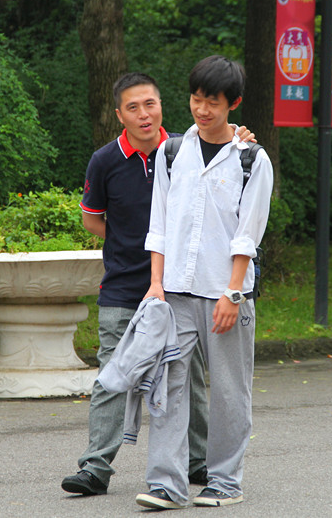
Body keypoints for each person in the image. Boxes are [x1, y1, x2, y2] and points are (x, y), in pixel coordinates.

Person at [62, 72, 255, 496]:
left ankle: (197, 462)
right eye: (132, 107)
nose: (144, 114)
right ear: (119, 115)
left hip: (184, 287)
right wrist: (130, 243)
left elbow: (234, 188)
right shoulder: (107, 160)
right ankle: (96, 466)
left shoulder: (185, 149)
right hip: (126, 286)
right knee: (115, 371)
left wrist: (239, 137)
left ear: (162, 105)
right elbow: (92, 219)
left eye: (150, 104)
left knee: (188, 378)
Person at [133, 55, 273, 510]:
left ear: (233, 104)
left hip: (225, 294)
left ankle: (225, 482)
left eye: (212, 102)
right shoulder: (172, 152)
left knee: (230, 391)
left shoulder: (251, 159)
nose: (202, 109)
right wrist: (156, 284)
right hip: (174, 291)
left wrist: (233, 292)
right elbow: (159, 224)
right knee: (167, 387)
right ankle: (166, 484)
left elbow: (248, 233)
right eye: (196, 99)